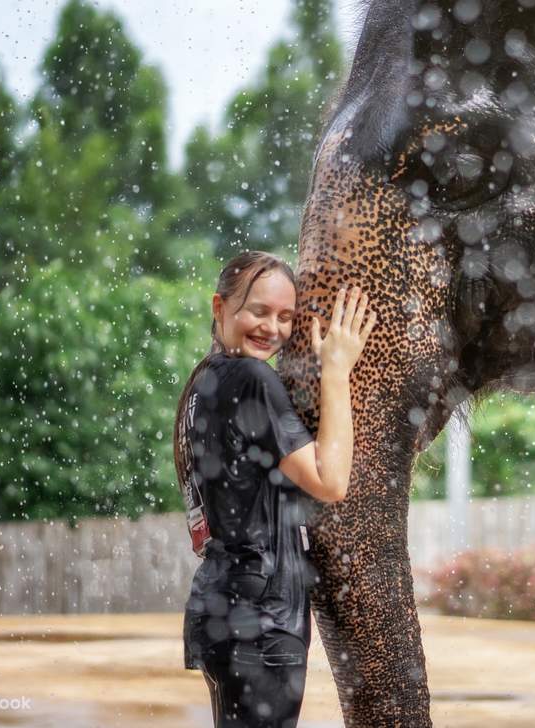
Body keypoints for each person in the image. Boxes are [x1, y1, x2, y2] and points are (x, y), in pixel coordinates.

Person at [173, 250, 375, 728]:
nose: (272, 328)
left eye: (286, 317)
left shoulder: (204, 381)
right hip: (262, 619)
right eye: (258, 311)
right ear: (220, 307)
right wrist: (336, 370)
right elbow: (330, 481)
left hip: (224, 607)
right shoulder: (251, 378)